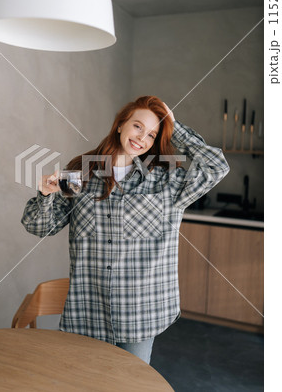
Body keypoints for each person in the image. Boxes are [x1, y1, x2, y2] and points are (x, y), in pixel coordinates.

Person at [21, 95, 230, 365]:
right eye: (138, 126)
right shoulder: (79, 175)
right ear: (120, 125)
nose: (142, 138)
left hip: (139, 317)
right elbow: (40, 227)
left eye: (152, 134)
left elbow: (217, 166)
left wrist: (175, 127)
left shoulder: (168, 182)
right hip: (88, 314)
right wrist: (45, 194)